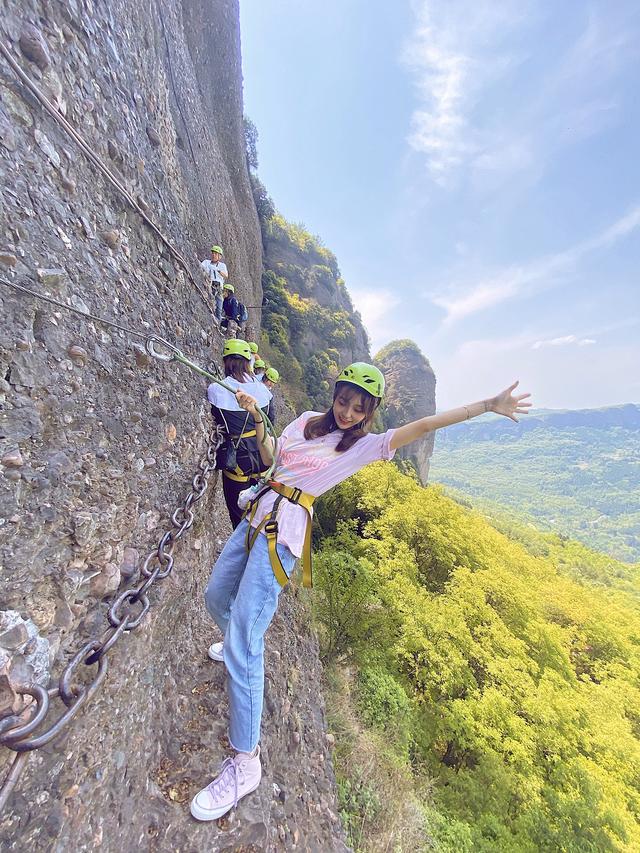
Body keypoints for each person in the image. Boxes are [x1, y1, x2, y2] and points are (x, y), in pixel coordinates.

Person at [190, 363, 532, 821]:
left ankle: (246, 762)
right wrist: (255, 417)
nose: (348, 412)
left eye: (359, 408)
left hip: (285, 532)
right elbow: (274, 455)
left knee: (245, 638)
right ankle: (237, 651)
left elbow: (424, 425)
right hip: (258, 510)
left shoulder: (363, 447)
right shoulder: (307, 420)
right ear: (335, 396)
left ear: (370, 412)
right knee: (216, 597)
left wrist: (487, 406)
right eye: (344, 401)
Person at [207, 339, 274, 529]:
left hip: (238, 461)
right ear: (248, 362)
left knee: (238, 515)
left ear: (226, 362)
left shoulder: (216, 390)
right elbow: (271, 422)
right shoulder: (265, 391)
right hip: (263, 454)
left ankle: (242, 547)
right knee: (262, 512)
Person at [200, 245, 228, 325]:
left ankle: (217, 324)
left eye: (216, 254)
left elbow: (226, 275)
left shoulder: (222, 265)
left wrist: (218, 270)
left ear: (219, 256)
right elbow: (200, 268)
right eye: (213, 253)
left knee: (219, 308)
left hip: (218, 287)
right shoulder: (206, 262)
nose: (213, 255)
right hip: (209, 283)